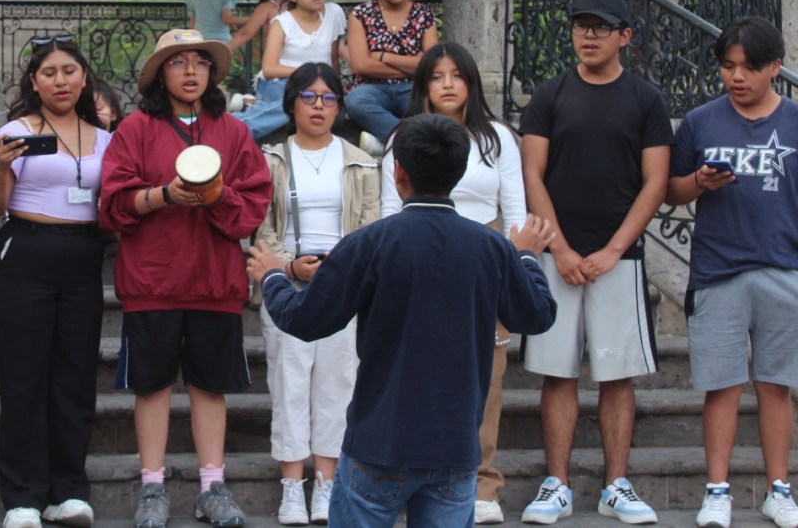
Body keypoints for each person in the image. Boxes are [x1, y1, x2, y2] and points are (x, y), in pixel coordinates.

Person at [246, 114, 558, 528]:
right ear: (460, 171)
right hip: (454, 446)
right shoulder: (490, 247)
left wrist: (272, 276)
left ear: (398, 173)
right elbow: (537, 314)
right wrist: (525, 255)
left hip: (380, 443)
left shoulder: (370, 242)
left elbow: (305, 319)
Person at [99, 28, 272, 528]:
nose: (192, 70)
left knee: (208, 386)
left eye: (200, 61)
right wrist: (163, 196)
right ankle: (151, 488)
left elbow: (254, 204)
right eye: (179, 62)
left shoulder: (233, 131)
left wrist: (218, 196)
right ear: (160, 73)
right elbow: (112, 205)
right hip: (152, 279)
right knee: (150, 386)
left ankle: (212, 486)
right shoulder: (135, 129)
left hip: (214, 280)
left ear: (213, 73)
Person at [518, 0, 673, 526]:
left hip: (620, 259)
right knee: (556, 373)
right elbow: (532, 173)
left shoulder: (645, 99)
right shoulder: (549, 94)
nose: (587, 34)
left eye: (600, 27)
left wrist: (612, 250)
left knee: (617, 374)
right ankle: (556, 484)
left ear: (625, 36)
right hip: (556, 257)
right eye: (581, 25)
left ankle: (616, 485)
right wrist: (557, 247)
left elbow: (655, 183)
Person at [379, 41, 527, 524]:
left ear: (470, 83)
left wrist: (515, 269)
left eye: (456, 75)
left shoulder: (498, 137)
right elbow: (387, 211)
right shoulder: (402, 136)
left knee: (487, 375)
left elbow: (516, 214)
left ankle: (482, 484)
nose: (447, 84)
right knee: (418, 370)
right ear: (423, 85)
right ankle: (414, 478)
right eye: (436, 76)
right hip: (417, 254)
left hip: (483, 255)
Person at [664, 16, 798, 528]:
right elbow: (671, 191)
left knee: (775, 384)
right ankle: (717, 490)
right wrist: (699, 181)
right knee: (721, 384)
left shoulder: (793, 120)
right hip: (718, 269)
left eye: (749, 67)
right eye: (727, 66)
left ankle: (778, 488)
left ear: (776, 68)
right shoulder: (700, 121)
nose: (736, 77)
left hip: (783, 267)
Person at [0, 36, 111, 528]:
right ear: (33, 81)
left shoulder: (105, 138)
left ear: (84, 77)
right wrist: (2, 167)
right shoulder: (18, 131)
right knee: (24, 375)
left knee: (75, 377)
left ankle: (68, 490)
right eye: (49, 72)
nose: (61, 81)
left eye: (70, 71)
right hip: (27, 250)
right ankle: (23, 496)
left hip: (83, 259)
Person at [254, 63, 380, 524]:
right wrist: (288, 265)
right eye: (309, 97)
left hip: (343, 285)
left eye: (329, 98)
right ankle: (292, 485)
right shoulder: (271, 158)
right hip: (288, 283)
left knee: (337, 384)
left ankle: (327, 483)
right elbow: (262, 224)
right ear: (291, 103)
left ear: (340, 106)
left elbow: (370, 225)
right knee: (288, 383)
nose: (319, 106)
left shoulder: (361, 161)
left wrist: (340, 268)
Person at [236, 0, 347, 141]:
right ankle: (237, 127)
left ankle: (250, 108)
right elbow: (269, 69)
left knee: (314, 99)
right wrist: (308, 74)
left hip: (319, 85)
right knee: (299, 101)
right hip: (282, 82)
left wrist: (337, 87)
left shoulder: (335, 13)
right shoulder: (282, 22)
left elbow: (333, 59)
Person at [344, 0, 438, 148]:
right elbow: (360, 65)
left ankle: (385, 141)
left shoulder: (424, 14)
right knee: (355, 102)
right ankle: (406, 140)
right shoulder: (361, 13)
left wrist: (384, 56)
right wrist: (413, 64)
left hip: (413, 88)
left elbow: (431, 65)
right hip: (371, 87)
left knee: (433, 103)